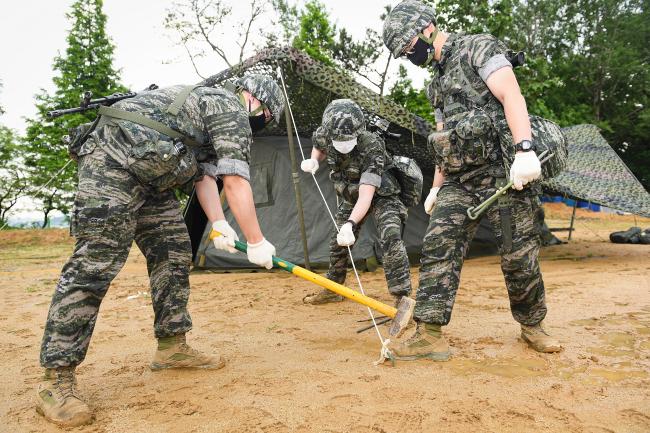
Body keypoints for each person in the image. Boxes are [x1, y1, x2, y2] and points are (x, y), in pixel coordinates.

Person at [36, 74, 284, 427]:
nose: (263, 123)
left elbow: (204, 177)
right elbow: (235, 180)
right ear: (256, 101)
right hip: (111, 162)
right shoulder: (230, 107)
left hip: (150, 177)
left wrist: (218, 222)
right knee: (95, 265)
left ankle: (171, 346)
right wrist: (256, 241)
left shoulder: (205, 112)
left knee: (173, 250)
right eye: (268, 116)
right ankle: (56, 380)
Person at [382, 0, 562, 361]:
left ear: (425, 28)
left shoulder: (477, 47)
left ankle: (532, 326)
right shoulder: (435, 86)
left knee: (518, 255)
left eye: (406, 46)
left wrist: (524, 150)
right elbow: (442, 140)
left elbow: (511, 94)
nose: (407, 54)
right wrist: (436, 187)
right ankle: (429, 333)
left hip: (504, 179)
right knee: (437, 245)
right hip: (459, 182)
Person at [300, 99, 412, 306]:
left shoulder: (372, 145)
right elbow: (319, 146)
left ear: (359, 131)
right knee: (337, 243)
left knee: (391, 236)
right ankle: (334, 289)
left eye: (348, 139)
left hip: (382, 194)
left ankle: (402, 298)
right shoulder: (325, 132)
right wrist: (315, 160)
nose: (343, 143)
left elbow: (367, 194)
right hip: (351, 193)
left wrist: (350, 224)